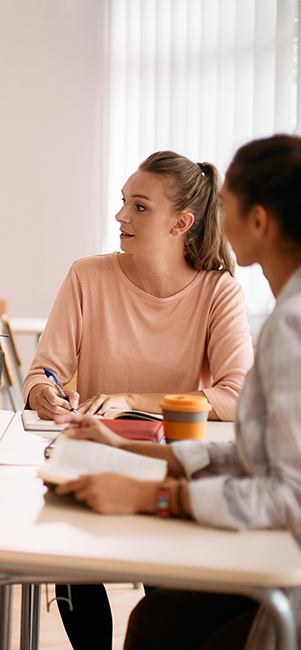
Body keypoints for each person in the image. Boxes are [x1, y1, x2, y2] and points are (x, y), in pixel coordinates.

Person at [54, 134, 301, 649]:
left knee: (160, 625)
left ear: (258, 221)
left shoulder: (290, 326)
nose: (218, 213)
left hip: (286, 572)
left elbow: (289, 495)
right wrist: (142, 453)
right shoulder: (287, 314)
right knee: (157, 620)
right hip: (274, 551)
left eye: (226, 202)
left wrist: (155, 493)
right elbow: (264, 455)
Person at [21, 151, 254, 649]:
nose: (121, 216)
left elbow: (236, 397)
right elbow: (43, 371)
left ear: (181, 223)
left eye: (140, 207)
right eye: (123, 202)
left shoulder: (219, 290)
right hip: (92, 452)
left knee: (161, 596)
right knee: (69, 556)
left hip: (170, 462)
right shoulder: (87, 276)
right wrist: (45, 392)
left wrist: (131, 399)